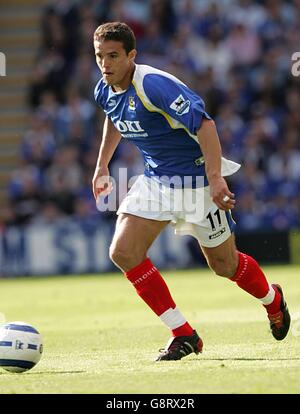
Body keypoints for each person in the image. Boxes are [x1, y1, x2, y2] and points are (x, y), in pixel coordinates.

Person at [92, 22, 290, 361]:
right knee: (123, 252)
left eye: (113, 56)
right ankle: (183, 334)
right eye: (99, 57)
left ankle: (272, 300)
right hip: (156, 182)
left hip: (197, 184)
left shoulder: (153, 86)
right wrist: (102, 166)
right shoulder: (104, 88)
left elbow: (205, 123)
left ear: (131, 55)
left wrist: (215, 178)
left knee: (225, 266)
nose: (105, 64)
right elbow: (114, 116)